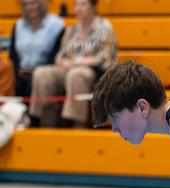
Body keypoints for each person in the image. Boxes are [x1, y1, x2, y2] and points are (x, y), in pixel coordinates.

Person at [29, 0, 117, 128]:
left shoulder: (104, 27)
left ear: (93, 6)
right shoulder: (71, 29)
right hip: (69, 68)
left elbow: (106, 57)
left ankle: (77, 124)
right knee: (42, 73)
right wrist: (69, 62)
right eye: (76, 4)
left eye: (83, 4)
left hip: (94, 71)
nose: (79, 8)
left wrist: (79, 61)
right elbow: (59, 56)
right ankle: (46, 121)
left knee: (76, 75)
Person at [9, 0, 65, 99]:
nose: (30, 7)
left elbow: (57, 53)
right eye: (26, 4)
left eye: (34, 3)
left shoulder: (56, 24)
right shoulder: (18, 25)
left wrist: (36, 72)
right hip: (21, 74)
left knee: (37, 80)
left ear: (42, 3)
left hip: (45, 72)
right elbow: (13, 55)